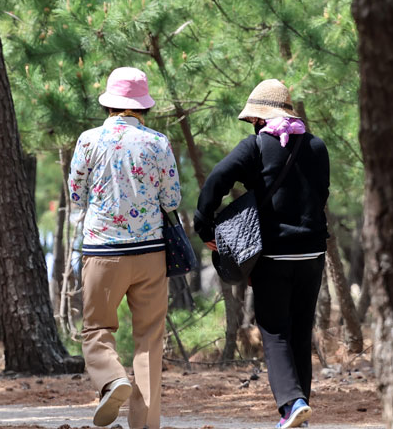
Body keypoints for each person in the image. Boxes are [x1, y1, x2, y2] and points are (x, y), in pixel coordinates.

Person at [194, 79, 330, 429]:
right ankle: (300, 408)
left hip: (272, 257)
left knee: (275, 332)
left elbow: (216, 181)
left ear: (259, 119)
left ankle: (291, 403)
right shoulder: (317, 147)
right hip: (312, 255)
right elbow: (322, 194)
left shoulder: (256, 146)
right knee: (300, 332)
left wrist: (206, 228)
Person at [68, 66, 183, 429]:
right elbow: (172, 198)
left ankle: (112, 378)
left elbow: (75, 193)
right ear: (142, 107)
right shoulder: (158, 142)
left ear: (110, 104)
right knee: (149, 339)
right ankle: (146, 424)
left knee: (96, 329)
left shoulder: (88, 140)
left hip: (103, 252)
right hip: (151, 253)